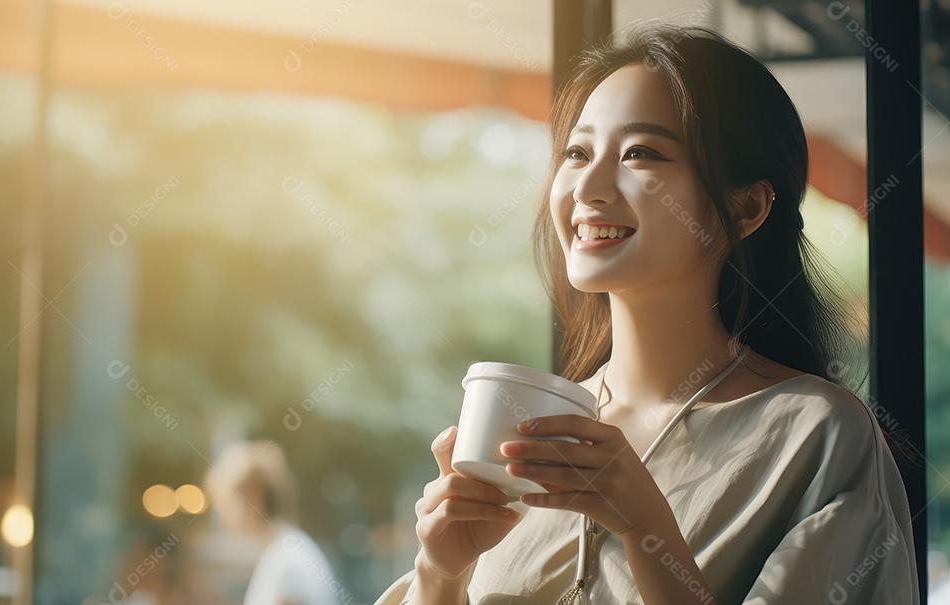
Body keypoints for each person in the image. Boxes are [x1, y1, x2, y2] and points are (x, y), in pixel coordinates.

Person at [375, 24, 920, 605]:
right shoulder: (526, 432)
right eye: (576, 153)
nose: (589, 184)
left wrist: (647, 529)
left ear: (747, 207)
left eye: (640, 153)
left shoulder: (818, 436)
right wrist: (441, 574)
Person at [205, 441, 342, 605]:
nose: (221, 514)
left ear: (252, 498)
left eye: (225, 502)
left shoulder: (285, 564)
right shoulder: (287, 551)